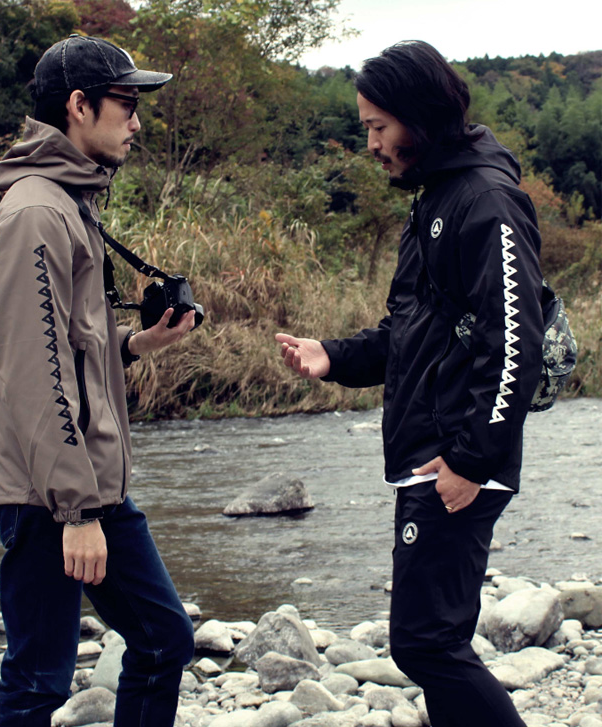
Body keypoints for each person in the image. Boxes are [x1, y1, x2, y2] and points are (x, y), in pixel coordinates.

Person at [276, 40, 544, 727]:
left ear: (420, 119)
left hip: (456, 458)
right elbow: (411, 333)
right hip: (435, 453)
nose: (371, 143)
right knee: (430, 644)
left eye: (379, 126)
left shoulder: (486, 202)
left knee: (428, 644)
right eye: (366, 127)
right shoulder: (434, 200)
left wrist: (470, 462)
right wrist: (333, 357)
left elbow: (516, 343)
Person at [0, 34, 195, 727]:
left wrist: (136, 342)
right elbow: (32, 373)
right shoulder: (37, 213)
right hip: (49, 490)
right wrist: (76, 513)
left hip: (83, 482)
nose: (137, 122)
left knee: (162, 640)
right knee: (39, 677)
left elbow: (67, 347)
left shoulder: (69, 202)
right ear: (79, 105)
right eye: (126, 104)